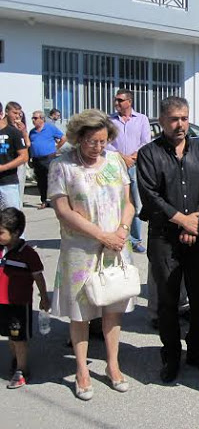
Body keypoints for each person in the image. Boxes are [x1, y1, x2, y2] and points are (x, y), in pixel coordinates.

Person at [48, 109, 135, 401]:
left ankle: (113, 365)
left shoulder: (114, 161)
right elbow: (62, 210)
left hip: (116, 247)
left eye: (103, 141)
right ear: (78, 138)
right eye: (92, 142)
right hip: (81, 251)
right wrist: (101, 236)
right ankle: (82, 370)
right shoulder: (62, 166)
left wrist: (122, 230)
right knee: (81, 313)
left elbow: (128, 203)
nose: (99, 147)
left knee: (113, 309)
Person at [137, 96, 199, 383]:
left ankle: (196, 351)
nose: (180, 124)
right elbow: (150, 196)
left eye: (184, 118)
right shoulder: (148, 154)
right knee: (168, 302)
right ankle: (171, 355)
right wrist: (180, 219)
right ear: (161, 120)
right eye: (174, 119)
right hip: (164, 238)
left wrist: (192, 220)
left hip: (197, 235)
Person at [0, 208, 50, 389]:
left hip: (18, 305)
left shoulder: (28, 254)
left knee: (19, 339)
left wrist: (44, 298)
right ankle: (16, 360)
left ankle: (22, 370)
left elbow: (38, 277)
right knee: (10, 338)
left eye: (1, 232)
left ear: (15, 233)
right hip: (1, 304)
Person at [107, 88, 151, 253]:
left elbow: (146, 142)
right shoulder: (109, 120)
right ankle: (116, 237)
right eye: (116, 100)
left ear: (129, 102)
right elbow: (106, 142)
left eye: (120, 100)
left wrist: (132, 158)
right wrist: (121, 157)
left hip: (135, 165)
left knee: (135, 203)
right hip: (114, 165)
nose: (116, 103)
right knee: (114, 203)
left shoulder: (141, 119)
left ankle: (135, 240)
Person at [28, 110, 66, 209]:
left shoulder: (50, 128)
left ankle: (57, 201)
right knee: (41, 181)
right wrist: (29, 158)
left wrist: (57, 148)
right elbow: (30, 145)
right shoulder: (32, 132)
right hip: (36, 159)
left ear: (42, 119)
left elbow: (63, 138)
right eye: (33, 118)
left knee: (53, 179)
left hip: (49, 158)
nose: (33, 120)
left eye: (35, 118)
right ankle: (44, 201)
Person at [0, 103, 28, 210]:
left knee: (12, 219)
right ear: (6, 112)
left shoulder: (14, 132)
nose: (17, 116)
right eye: (14, 113)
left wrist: (3, 168)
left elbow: (24, 156)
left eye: (19, 114)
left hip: (7, 183)